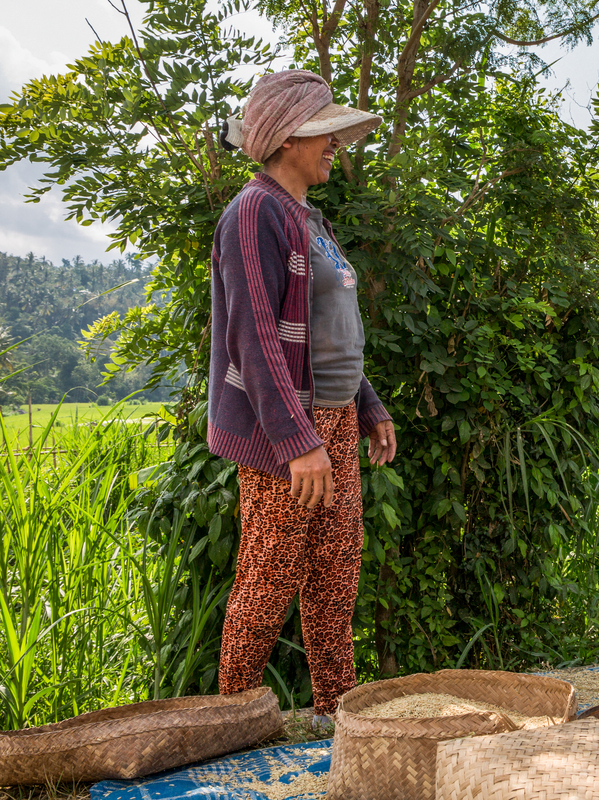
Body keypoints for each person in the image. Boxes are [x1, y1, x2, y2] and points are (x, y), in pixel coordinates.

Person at [209, 70, 396, 728]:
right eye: (325, 133)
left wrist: (367, 407)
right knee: (268, 573)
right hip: (286, 431)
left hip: (334, 421)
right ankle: (232, 721)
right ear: (288, 138)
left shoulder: (309, 218)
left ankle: (332, 711)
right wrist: (299, 444)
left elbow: (331, 335)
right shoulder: (253, 212)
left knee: (335, 569)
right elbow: (256, 337)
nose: (336, 145)